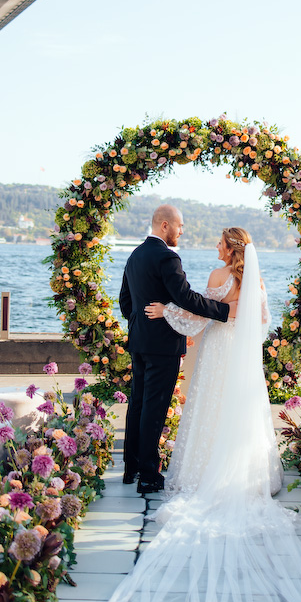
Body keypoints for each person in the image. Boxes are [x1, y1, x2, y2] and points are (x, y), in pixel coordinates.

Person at [78, 228, 301, 602]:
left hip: (216, 355)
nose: (214, 248)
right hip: (240, 358)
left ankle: (192, 469)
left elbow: (197, 316)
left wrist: (163, 312)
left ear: (230, 249)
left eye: (219, 243)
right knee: (238, 412)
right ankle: (243, 469)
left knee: (209, 411)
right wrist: (229, 312)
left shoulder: (217, 274)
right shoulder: (258, 284)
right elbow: (259, 321)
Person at [118, 204, 235, 494]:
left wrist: (140, 322)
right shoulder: (167, 257)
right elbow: (184, 297)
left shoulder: (135, 255)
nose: (182, 231)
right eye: (180, 226)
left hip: (140, 341)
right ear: (165, 226)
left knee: (138, 403)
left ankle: (131, 468)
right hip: (163, 344)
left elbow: (125, 302)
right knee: (154, 409)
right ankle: (148, 475)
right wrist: (223, 310)